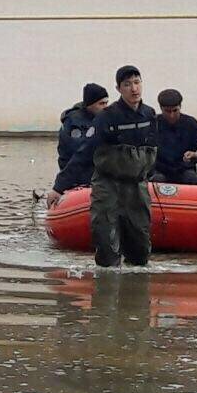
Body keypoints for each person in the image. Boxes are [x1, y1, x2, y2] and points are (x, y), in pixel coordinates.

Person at [47, 66, 157, 267]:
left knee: (140, 246)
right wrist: (58, 187)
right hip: (108, 185)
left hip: (137, 186)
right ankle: (105, 289)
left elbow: (155, 151)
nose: (134, 89)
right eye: (127, 84)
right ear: (118, 88)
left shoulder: (149, 115)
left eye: (137, 82)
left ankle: (136, 294)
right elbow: (84, 153)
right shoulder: (107, 117)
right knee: (106, 243)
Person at [151, 89, 197, 184]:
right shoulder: (153, 124)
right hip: (160, 171)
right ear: (161, 108)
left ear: (180, 106)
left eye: (175, 110)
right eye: (167, 111)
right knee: (155, 181)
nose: (172, 115)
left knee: (194, 180)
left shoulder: (191, 124)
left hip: (184, 170)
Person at [57, 83, 109, 171]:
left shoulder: (98, 118)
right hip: (75, 174)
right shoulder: (74, 123)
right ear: (90, 105)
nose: (105, 107)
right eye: (101, 104)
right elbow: (81, 151)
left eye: (106, 103)